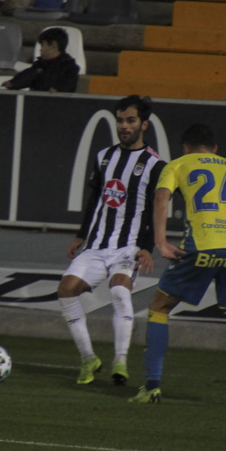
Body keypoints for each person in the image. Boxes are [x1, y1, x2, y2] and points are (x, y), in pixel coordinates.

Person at [132, 123, 226, 411]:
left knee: (159, 307)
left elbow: (161, 198)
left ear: (185, 147)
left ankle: (152, 386)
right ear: (215, 148)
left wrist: (160, 241)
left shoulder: (178, 164)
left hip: (203, 244)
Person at [58, 95, 165, 386]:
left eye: (130, 120)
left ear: (144, 124)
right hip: (97, 245)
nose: (124, 126)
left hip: (128, 246)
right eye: (120, 120)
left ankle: (120, 361)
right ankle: (89, 358)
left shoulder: (155, 165)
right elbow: (94, 199)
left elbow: (157, 209)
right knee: (66, 290)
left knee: (119, 292)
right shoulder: (104, 156)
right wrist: (81, 234)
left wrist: (147, 247)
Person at [2, 26, 78, 93]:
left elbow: (69, 84)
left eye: (42, 45)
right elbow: (28, 77)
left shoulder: (69, 67)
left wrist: (59, 91)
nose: (40, 50)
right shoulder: (40, 65)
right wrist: (14, 83)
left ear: (53, 45)